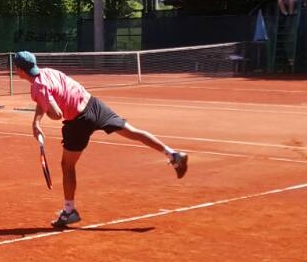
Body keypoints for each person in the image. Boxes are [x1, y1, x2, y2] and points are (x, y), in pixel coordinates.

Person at [12, 50, 189, 228]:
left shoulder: (37, 87)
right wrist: (36, 122)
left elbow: (56, 113)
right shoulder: (49, 72)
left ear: (19, 70)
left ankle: (69, 211)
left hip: (78, 121)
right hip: (94, 105)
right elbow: (45, 99)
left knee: (67, 165)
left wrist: (47, 116)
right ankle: (173, 154)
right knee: (133, 132)